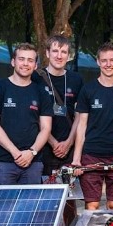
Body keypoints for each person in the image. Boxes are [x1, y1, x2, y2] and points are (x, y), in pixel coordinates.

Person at [71, 43, 113, 209]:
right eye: (104, 60)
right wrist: (76, 159)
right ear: (98, 62)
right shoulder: (88, 89)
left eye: (112, 60)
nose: (108, 64)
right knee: (92, 206)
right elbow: (81, 125)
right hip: (91, 156)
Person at [0, 43, 52, 184]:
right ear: (13, 62)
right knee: (2, 205)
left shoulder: (41, 93)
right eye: (21, 59)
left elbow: (46, 128)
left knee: (30, 206)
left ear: (35, 65)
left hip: (33, 162)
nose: (25, 63)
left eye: (30, 60)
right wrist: (15, 152)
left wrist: (31, 152)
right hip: (4, 161)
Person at [38, 35, 84, 179]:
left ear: (68, 55)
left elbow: (80, 114)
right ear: (47, 53)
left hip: (69, 148)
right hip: (43, 147)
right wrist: (53, 142)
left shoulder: (76, 79)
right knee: (46, 196)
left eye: (63, 52)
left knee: (70, 196)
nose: (59, 56)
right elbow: (32, 115)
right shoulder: (36, 78)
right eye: (55, 51)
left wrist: (69, 142)